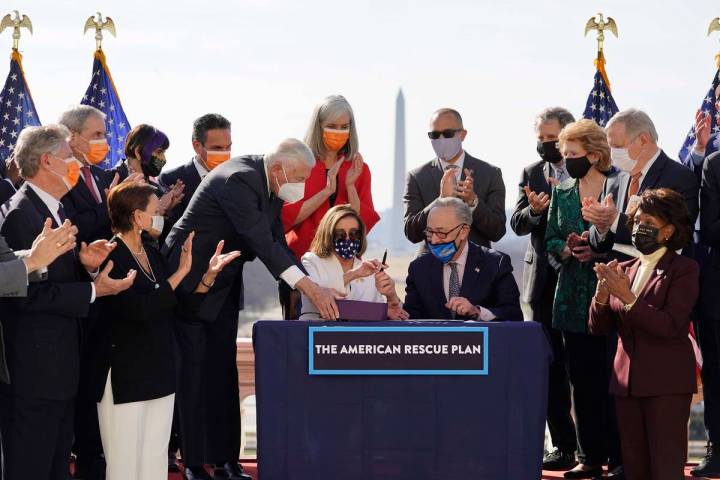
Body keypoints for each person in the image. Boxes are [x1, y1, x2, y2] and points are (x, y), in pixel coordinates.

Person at [163, 138, 342, 480]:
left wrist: (305, 288)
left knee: (223, 374)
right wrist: (310, 288)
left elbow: (278, 243)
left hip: (223, 287)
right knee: (193, 371)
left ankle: (226, 460)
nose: (301, 186)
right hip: (189, 281)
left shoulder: (270, 185)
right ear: (278, 169)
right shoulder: (239, 180)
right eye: (299, 177)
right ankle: (195, 462)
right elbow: (260, 241)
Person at [0, 124, 135, 480]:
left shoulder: (54, 211)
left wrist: (85, 268)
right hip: (32, 373)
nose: (76, 164)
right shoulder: (19, 215)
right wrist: (94, 292)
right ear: (46, 161)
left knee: (57, 466)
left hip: (58, 369)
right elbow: (22, 294)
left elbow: (50, 278)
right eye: (69, 158)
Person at [93, 182, 240, 480]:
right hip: (124, 375)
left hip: (160, 372)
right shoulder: (111, 255)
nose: (160, 214)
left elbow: (181, 307)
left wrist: (206, 277)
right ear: (137, 217)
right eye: (155, 210)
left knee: (154, 462)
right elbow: (138, 309)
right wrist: (181, 273)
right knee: (125, 464)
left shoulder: (152, 253)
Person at [589, 188, 699, 480]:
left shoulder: (684, 269)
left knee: (664, 467)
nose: (639, 227)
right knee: (634, 468)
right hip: (626, 384)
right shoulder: (624, 268)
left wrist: (628, 298)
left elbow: (670, 325)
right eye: (636, 221)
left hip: (665, 384)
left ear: (668, 230)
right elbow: (599, 328)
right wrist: (601, 296)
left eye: (648, 221)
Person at [544, 119, 621, 479]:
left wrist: (598, 249)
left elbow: (627, 239)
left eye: (572, 154)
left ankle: (620, 458)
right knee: (583, 381)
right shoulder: (561, 191)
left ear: (593, 153)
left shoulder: (617, 185)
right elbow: (551, 239)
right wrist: (568, 248)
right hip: (572, 298)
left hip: (613, 295)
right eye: (564, 153)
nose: (566, 159)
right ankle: (589, 456)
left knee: (615, 380)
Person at [511, 107, 578, 470]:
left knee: (582, 367)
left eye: (551, 139)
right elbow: (517, 222)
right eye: (540, 139)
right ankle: (563, 446)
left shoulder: (585, 170)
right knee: (550, 368)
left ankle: (592, 448)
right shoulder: (532, 172)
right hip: (541, 286)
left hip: (579, 279)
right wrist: (536, 211)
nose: (545, 146)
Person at [582, 109, 698, 258]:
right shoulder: (612, 181)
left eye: (617, 146)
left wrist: (615, 220)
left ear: (643, 140)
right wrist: (601, 226)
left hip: (656, 277)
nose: (612, 154)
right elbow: (599, 246)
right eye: (610, 147)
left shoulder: (680, 177)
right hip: (614, 276)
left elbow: (676, 237)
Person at [283, 95, 379, 259]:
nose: (338, 132)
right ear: (318, 127)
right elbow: (286, 220)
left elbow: (360, 226)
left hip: (343, 263)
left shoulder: (359, 169)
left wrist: (350, 187)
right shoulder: (298, 165)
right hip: (301, 260)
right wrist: (326, 192)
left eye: (344, 127)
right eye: (332, 126)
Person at [404, 197, 522, 320]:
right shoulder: (418, 268)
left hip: (481, 339)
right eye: (429, 232)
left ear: (463, 231)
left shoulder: (495, 264)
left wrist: (477, 312)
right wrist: (393, 301)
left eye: (441, 233)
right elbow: (411, 319)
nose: (434, 240)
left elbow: (514, 315)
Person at [404, 108, 506, 248]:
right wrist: (439, 201)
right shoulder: (417, 177)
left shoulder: (490, 173)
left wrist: (473, 202)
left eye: (447, 133)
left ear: (462, 135)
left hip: (476, 264)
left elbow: (498, 231)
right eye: (434, 135)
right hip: (431, 265)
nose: (441, 139)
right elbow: (411, 232)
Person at [300, 204, 407, 320]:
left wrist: (391, 297)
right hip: (317, 332)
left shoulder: (368, 269)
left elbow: (385, 311)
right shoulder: (311, 261)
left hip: (359, 336)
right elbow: (320, 295)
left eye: (353, 233)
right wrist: (353, 274)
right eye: (340, 234)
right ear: (328, 235)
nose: (347, 239)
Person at [158, 113, 232, 230]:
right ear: (197, 146)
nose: (224, 152)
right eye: (217, 148)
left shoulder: (235, 178)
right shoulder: (170, 179)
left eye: (228, 147)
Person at [696, 149, 720, 477]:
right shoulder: (714, 163)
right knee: (716, 374)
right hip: (717, 292)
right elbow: (710, 229)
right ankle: (717, 449)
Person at [122, 124, 185, 240]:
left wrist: (167, 209)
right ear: (137, 152)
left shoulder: (157, 189)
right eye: (159, 152)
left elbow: (161, 238)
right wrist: (158, 210)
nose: (164, 159)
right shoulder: (112, 180)